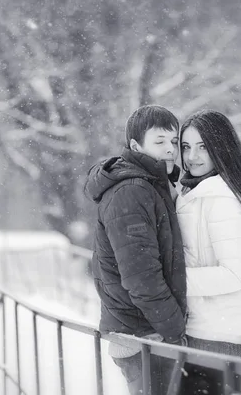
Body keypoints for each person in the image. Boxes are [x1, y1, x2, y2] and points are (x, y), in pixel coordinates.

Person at [84, 105, 188, 395]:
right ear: (135, 145)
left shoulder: (153, 186)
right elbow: (140, 275)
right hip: (143, 334)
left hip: (144, 330)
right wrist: (175, 330)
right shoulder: (132, 190)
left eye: (174, 141)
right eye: (159, 142)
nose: (170, 149)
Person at [175, 110, 241, 394]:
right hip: (215, 329)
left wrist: (173, 280)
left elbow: (233, 274)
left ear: (221, 148)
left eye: (203, 146)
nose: (192, 156)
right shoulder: (202, 193)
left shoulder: (220, 198)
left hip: (217, 331)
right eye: (186, 147)